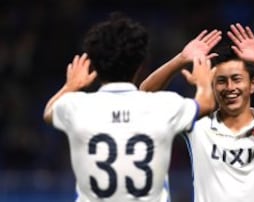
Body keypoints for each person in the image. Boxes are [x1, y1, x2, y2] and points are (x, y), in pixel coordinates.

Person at [43, 11, 218, 202]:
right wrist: (202, 80)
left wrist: (71, 86)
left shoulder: (76, 106)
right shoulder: (163, 106)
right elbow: (207, 103)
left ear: (95, 65)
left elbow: (49, 112)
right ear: (141, 64)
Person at [140, 23, 254, 202]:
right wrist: (181, 59)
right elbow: (145, 95)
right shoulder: (196, 125)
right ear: (212, 85)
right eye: (221, 81)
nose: (229, 87)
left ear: (252, 84)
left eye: (236, 79)